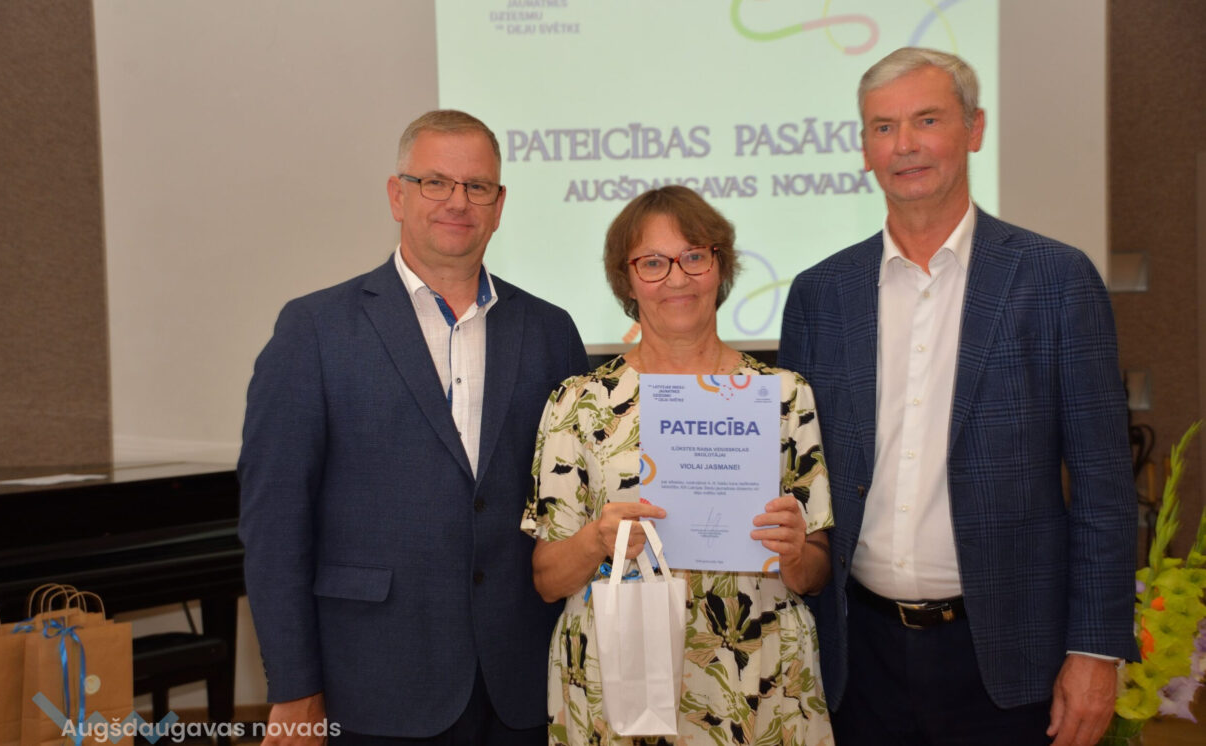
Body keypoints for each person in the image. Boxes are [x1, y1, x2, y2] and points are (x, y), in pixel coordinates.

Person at [778, 48, 1137, 746]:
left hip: (1009, 659)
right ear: (863, 149)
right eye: (883, 127)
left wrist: (1096, 650)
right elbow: (797, 478)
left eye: (927, 120)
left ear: (974, 129)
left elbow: (1104, 486)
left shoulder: (1056, 280)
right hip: (859, 661)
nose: (904, 145)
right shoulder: (820, 294)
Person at [238, 109, 589, 745]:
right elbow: (275, 526)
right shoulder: (314, 331)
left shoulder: (550, 332)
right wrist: (294, 688)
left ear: (499, 205)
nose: (458, 201)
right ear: (397, 196)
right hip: (373, 681)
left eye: (477, 186)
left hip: (523, 683)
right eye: (435, 182)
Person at [523, 185, 835, 746]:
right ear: (626, 280)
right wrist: (598, 540)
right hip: (619, 685)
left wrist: (794, 551)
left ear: (720, 266)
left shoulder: (784, 396)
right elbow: (547, 580)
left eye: (694, 256)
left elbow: (815, 573)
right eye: (652, 262)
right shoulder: (578, 403)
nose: (676, 278)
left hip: (760, 678)